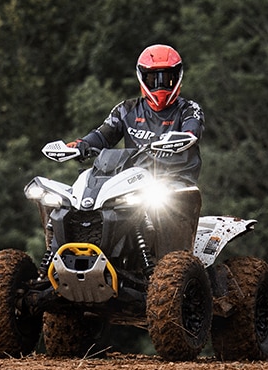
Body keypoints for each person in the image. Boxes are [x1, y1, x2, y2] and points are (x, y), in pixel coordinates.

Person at [67, 44, 205, 252]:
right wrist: (82, 145)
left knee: (166, 208)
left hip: (175, 182)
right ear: (142, 78)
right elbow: (102, 135)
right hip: (132, 181)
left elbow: (192, 129)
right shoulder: (126, 109)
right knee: (78, 198)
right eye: (153, 79)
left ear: (178, 78)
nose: (160, 86)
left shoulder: (189, 109)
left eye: (167, 79)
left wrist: (184, 137)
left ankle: (174, 260)